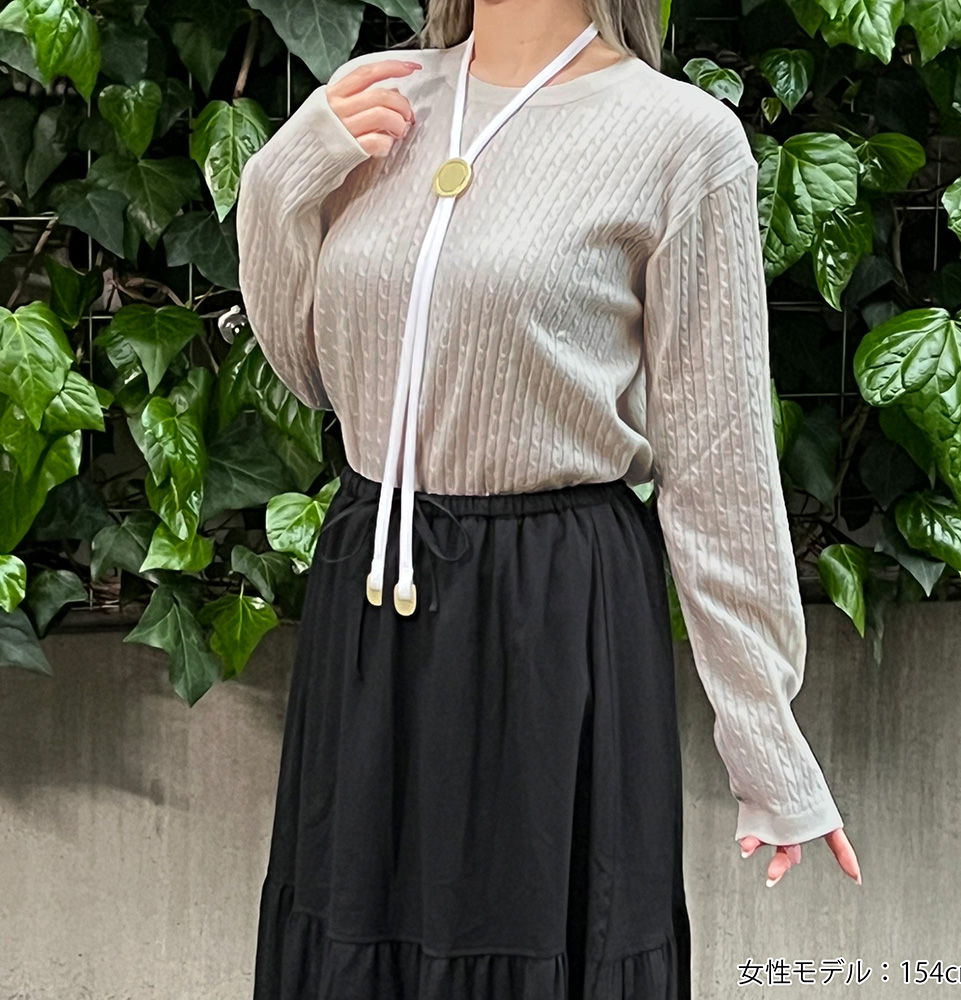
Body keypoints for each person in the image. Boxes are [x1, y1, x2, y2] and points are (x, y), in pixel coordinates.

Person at [236, 2, 862, 997]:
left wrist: (764, 738)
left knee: (531, 941)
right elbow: (312, 372)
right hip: (371, 593)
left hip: (551, 612)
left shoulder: (679, 140)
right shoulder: (381, 101)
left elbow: (717, 457)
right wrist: (279, 185)